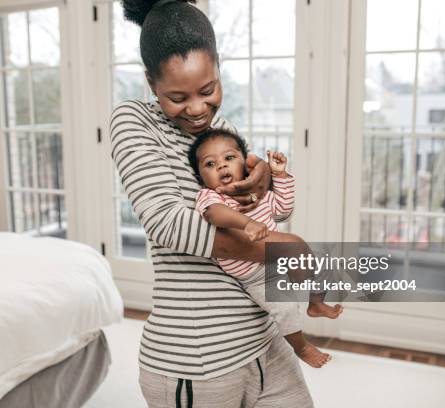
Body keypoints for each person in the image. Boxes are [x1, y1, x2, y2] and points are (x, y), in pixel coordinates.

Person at [112, 0, 314, 406]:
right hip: (198, 359)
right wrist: (282, 246)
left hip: (265, 339)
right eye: (177, 96)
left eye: (208, 90)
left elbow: (258, 207)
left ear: (219, 68)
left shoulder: (222, 129)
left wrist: (264, 178)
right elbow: (168, 224)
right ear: (152, 84)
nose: (198, 109)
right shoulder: (133, 120)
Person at [189, 128, 343, 369]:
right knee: (285, 308)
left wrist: (279, 176)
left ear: (245, 164)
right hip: (254, 275)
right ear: (200, 177)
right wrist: (246, 222)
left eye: (229, 158)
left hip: (279, 258)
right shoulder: (211, 197)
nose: (221, 166)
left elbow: (282, 210)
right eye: (210, 163)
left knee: (322, 261)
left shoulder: (258, 194)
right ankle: (301, 346)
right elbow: (213, 215)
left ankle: (315, 303)